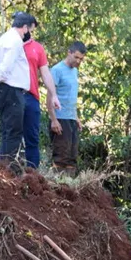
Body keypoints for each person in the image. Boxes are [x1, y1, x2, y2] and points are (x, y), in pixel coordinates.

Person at [0, 12, 38, 163]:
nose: (30, 35)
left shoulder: (5, 38)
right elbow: (5, 67)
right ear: (25, 28)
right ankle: (7, 170)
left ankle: (3, 167)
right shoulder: (15, 41)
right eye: (30, 31)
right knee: (13, 132)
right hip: (10, 90)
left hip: (3, 89)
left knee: (8, 130)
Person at [19, 14, 61, 169]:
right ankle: (8, 174)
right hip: (12, 95)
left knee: (32, 138)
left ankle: (32, 175)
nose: (30, 30)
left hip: (30, 96)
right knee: (11, 135)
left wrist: (54, 95)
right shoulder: (8, 43)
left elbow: (45, 73)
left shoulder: (37, 48)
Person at [48, 41, 87, 175]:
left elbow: (71, 96)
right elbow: (50, 96)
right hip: (60, 118)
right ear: (69, 53)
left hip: (70, 118)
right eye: (76, 57)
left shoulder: (75, 71)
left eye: (81, 59)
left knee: (72, 157)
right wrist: (53, 119)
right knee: (61, 156)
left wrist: (76, 117)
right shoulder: (57, 70)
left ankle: (70, 186)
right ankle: (58, 186)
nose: (78, 61)